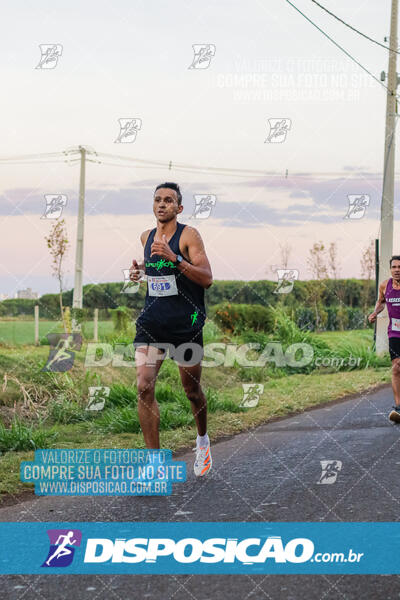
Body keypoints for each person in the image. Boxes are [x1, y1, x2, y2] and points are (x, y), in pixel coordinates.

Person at [129, 182, 213, 476]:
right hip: (152, 323)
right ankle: (154, 464)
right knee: (143, 385)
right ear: (153, 205)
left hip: (185, 324)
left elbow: (206, 278)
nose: (162, 204)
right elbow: (155, 275)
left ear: (179, 208)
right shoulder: (146, 236)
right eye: (157, 200)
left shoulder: (189, 236)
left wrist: (175, 258)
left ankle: (202, 440)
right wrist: (139, 272)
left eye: (168, 200)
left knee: (191, 390)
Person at [368, 255, 400, 423]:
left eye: (399, 267)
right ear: (390, 269)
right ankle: (398, 408)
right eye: (394, 267)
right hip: (395, 331)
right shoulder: (384, 286)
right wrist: (375, 313)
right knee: (396, 367)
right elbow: (381, 302)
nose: (397, 270)